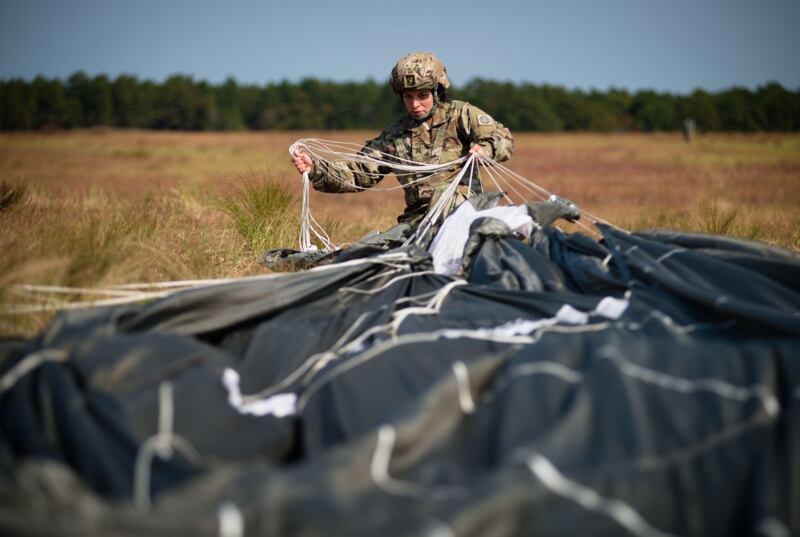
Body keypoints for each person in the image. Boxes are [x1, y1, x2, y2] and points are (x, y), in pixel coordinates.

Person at [291, 51, 514, 225]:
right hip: (416, 221)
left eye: (422, 96)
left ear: (437, 92)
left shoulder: (461, 115)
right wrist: (316, 168)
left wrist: (485, 149)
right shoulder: (394, 135)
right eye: (408, 97)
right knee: (371, 255)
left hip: (464, 215)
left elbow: (502, 138)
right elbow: (358, 173)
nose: (415, 104)